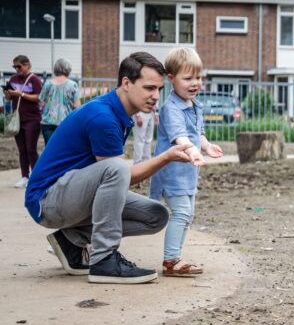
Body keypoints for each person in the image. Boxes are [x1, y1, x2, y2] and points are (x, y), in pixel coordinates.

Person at [25, 52, 193, 284]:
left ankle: (70, 241)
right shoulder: (103, 117)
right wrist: (166, 157)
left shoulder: (116, 112)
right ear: (126, 83)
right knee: (116, 168)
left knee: (156, 215)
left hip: (70, 195)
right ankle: (104, 259)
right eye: (149, 88)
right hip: (47, 201)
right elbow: (121, 174)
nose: (156, 96)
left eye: (159, 90)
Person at [150, 47, 223, 277]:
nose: (195, 83)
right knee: (181, 213)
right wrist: (192, 150)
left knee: (187, 214)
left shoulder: (195, 105)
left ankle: (175, 257)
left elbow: (195, 134)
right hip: (172, 173)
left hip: (188, 172)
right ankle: (171, 260)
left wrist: (206, 146)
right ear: (171, 79)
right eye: (188, 78)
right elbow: (180, 137)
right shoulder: (171, 109)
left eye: (199, 77)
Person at [3, 55, 44, 188]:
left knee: (31, 149)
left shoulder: (35, 79)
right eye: (14, 67)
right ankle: (24, 176)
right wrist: (8, 94)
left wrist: (20, 94)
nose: (16, 69)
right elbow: (9, 99)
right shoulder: (13, 79)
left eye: (19, 66)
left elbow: (39, 97)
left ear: (27, 65)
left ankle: (36, 176)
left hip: (32, 119)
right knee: (22, 150)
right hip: (18, 119)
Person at [38, 58, 81, 145]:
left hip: (47, 122)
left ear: (55, 69)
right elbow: (77, 107)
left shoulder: (47, 83)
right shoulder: (73, 85)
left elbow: (41, 102)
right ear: (68, 69)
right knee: (63, 150)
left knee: (49, 150)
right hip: (66, 122)